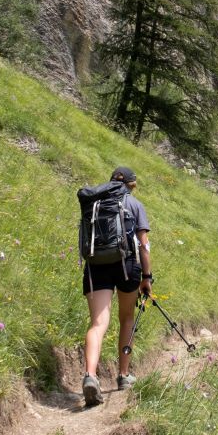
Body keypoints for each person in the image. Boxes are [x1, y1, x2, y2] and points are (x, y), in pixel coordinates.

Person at [81, 166, 153, 407]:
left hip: (96, 265)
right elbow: (144, 246)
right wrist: (147, 277)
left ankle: (90, 376)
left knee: (98, 324)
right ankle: (123, 375)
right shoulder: (134, 205)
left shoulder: (95, 203)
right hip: (126, 266)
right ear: (132, 185)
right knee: (127, 319)